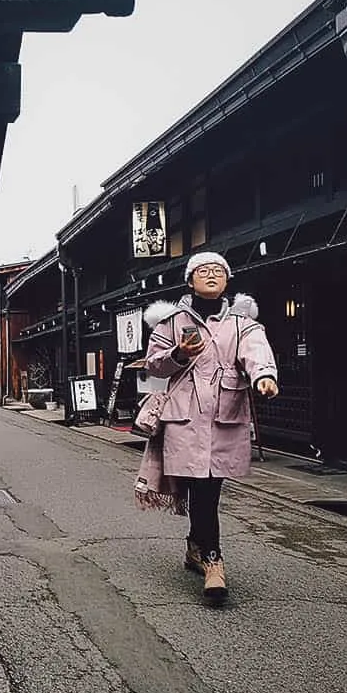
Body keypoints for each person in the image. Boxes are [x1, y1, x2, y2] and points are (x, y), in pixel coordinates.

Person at [134, 251, 279, 602]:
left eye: (218, 271)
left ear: (227, 280)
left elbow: (256, 352)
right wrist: (179, 354)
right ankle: (213, 561)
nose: (212, 275)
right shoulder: (171, 321)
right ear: (190, 281)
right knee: (202, 488)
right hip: (185, 416)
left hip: (224, 416)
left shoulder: (243, 323)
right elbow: (154, 365)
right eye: (204, 271)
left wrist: (264, 375)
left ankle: (197, 548)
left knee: (208, 489)